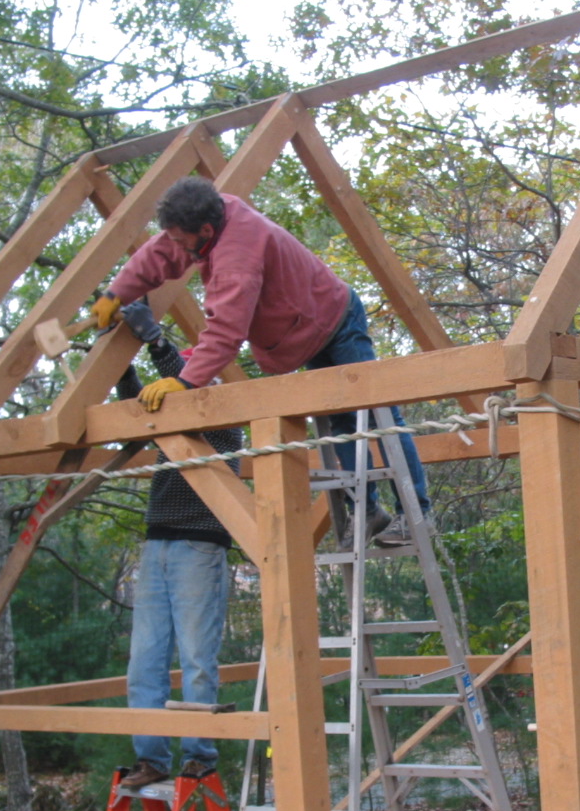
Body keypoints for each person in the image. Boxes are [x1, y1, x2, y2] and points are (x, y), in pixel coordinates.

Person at [92, 176, 431, 544]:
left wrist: (186, 381)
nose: (176, 246)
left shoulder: (238, 256)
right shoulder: (208, 223)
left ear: (205, 229)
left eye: (181, 239)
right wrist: (117, 291)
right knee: (343, 424)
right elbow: (161, 253)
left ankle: (418, 516)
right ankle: (366, 510)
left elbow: (225, 334)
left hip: (336, 319)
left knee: (378, 414)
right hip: (307, 331)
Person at [112, 300, 241, 790]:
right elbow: (134, 406)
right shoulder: (167, 429)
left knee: (196, 659)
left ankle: (200, 755)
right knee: (143, 662)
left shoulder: (225, 422)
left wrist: (158, 342)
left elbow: (186, 387)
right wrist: (119, 363)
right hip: (158, 548)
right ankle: (152, 758)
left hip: (199, 548)